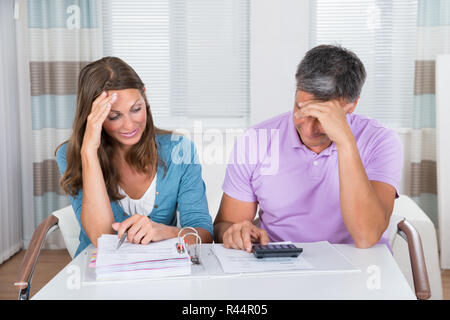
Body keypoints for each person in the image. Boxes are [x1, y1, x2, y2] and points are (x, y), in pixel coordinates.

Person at [213, 44, 403, 252]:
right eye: (301, 110)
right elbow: (225, 224)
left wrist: (345, 143)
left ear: (352, 105)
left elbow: (367, 236)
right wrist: (236, 233)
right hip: (280, 262)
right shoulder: (256, 140)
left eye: (322, 117)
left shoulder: (380, 141)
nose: (309, 128)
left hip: (358, 267)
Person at [56, 57, 213, 257]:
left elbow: (204, 235)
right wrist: (89, 152)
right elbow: (100, 238)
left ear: (144, 97)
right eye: (114, 116)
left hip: (161, 272)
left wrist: (166, 232)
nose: (130, 126)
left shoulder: (180, 150)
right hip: (98, 276)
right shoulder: (72, 155)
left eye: (136, 109)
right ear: (94, 116)